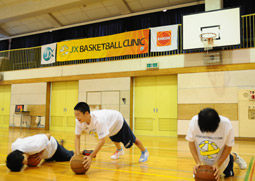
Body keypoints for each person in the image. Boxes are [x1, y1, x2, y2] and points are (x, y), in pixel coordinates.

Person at [74, 102, 149, 169]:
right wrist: (77, 155)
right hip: (109, 125)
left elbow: (102, 141)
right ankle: (119, 150)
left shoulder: (98, 120)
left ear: (87, 113)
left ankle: (144, 151)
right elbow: (77, 137)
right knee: (114, 138)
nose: (76, 117)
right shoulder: (79, 121)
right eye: (75, 115)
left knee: (132, 140)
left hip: (117, 121)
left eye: (78, 115)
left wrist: (91, 156)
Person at [186, 108, 247, 180]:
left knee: (228, 175)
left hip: (221, 156)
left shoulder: (226, 125)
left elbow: (228, 146)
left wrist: (218, 164)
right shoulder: (194, 122)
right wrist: (197, 162)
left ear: (217, 123)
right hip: (203, 156)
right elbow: (191, 142)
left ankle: (235, 156)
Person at [6, 133, 74, 172]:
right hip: (47, 154)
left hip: (53, 147)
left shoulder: (35, 146)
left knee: (69, 156)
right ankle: (61, 147)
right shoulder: (14, 147)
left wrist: (41, 153)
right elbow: (20, 138)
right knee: (51, 161)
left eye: (23, 162)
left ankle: (79, 152)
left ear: (20, 155)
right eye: (23, 164)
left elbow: (48, 135)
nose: (25, 163)